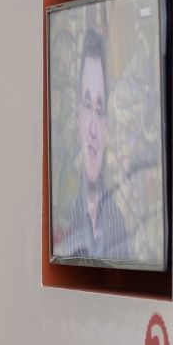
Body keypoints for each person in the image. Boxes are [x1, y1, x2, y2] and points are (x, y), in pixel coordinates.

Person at [58, 27, 133, 263]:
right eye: (87, 105)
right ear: (78, 114)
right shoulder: (63, 208)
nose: (93, 129)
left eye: (99, 111)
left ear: (108, 123)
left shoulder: (118, 222)